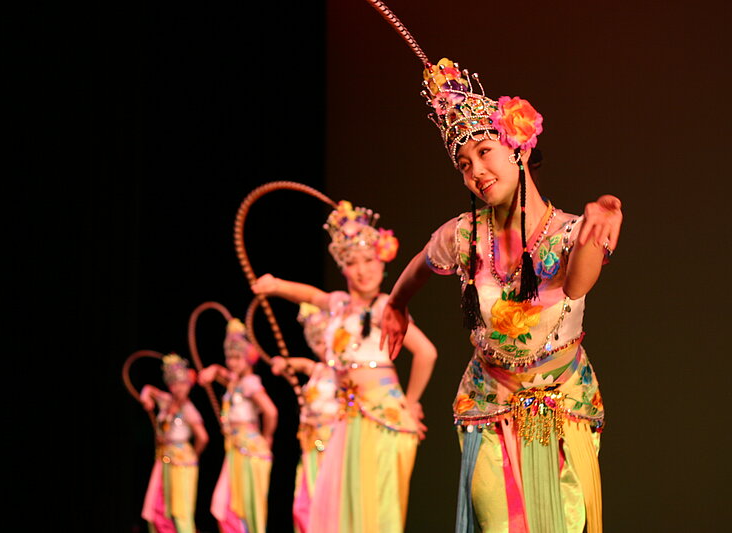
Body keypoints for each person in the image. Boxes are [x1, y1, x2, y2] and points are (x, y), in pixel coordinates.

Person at [379, 56, 623, 533]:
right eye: (464, 164)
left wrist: (601, 221)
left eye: (486, 152)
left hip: (559, 407)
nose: (476, 171)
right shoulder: (464, 236)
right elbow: (421, 263)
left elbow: (577, 284)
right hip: (489, 403)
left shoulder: (570, 232)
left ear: (520, 149)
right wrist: (395, 305)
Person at [251, 199, 438, 533]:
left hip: (382, 417)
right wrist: (276, 285)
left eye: (368, 260)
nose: (363, 270)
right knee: (342, 509)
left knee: (376, 510)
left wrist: (411, 404)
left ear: (382, 264)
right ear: (342, 268)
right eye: (352, 263)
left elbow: (426, 353)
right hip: (349, 418)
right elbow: (308, 295)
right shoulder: (337, 304)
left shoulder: (385, 306)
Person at [199, 318, 277, 533]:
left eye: (237, 358)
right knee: (224, 506)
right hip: (236, 450)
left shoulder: (250, 383)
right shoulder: (237, 382)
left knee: (246, 508)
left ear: (248, 359)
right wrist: (214, 370)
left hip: (249, 450)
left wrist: (267, 437)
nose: (232, 363)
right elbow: (225, 376)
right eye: (229, 358)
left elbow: (270, 411)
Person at [269, 302, 338, 533]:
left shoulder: (342, 369)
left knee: (328, 506)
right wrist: (283, 363)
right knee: (302, 507)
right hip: (310, 446)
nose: (321, 347)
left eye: (323, 341)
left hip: (331, 445)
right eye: (315, 343)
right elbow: (301, 364)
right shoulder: (317, 369)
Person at [139, 353, 209, 533]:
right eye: (174, 384)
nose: (178, 388)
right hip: (164, 460)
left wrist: (191, 457)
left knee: (181, 510)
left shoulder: (188, 409)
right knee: (159, 508)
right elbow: (148, 389)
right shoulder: (166, 401)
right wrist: (146, 398)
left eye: (182, 384)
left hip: (181, 462)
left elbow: (202, 437)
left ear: (188, 384)